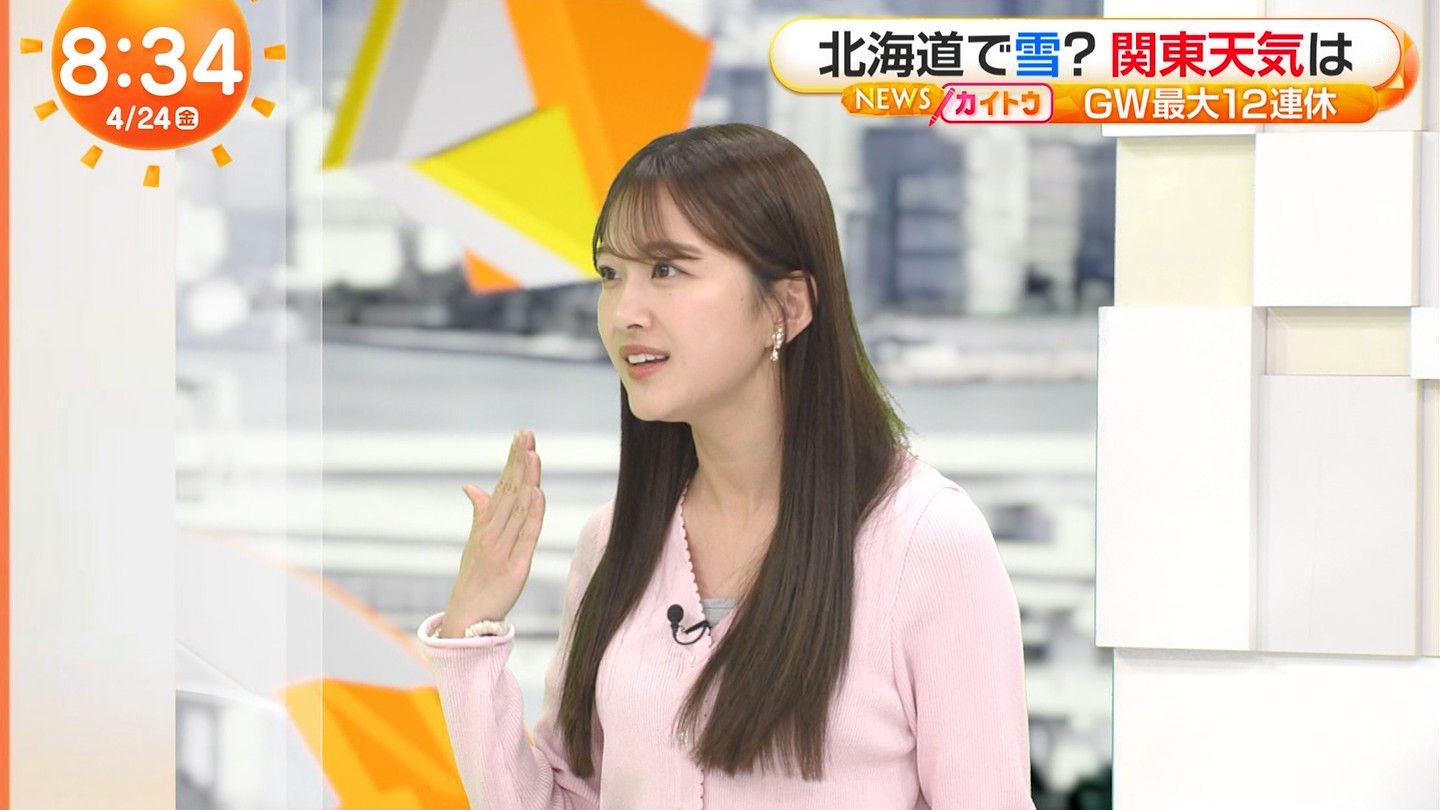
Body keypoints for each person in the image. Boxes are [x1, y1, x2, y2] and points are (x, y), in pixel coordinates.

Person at [417, 123, 1035, 809]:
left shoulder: (927, 541)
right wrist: (470, 629)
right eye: (611, 274)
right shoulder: (613, 542)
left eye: (666, 270)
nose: (624, 313)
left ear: (788, 304)